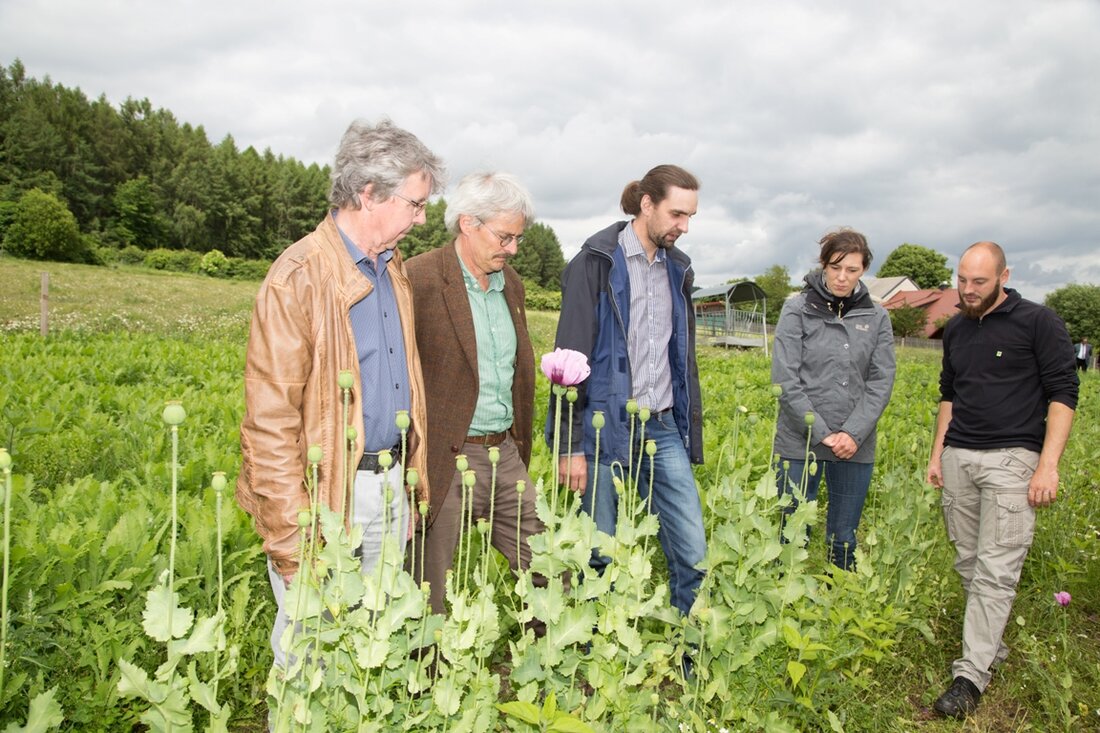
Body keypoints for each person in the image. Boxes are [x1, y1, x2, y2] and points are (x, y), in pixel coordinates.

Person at [235, 119, 445, 666]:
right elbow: (269, 424)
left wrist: (413, 479)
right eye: (415, 204)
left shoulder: (392, 269)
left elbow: (405, 386)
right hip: (328, 500)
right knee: (312, 664)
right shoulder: (297, 276)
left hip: (390, 486)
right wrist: (290, 541)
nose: (421, 219)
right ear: (368, 193)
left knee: (371, 652)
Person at [925, 241, 1078, 719]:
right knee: (969, 563)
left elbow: (1063, 393)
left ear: (1003, 276)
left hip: (1013, 460)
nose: (968, 291)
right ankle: (990, 646)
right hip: (960, 458)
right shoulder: (955, 328)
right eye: (962, 281)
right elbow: (949, 395)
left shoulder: (1039, 322)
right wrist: (938, 455)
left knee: (996, 568)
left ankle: (970, 675)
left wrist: (1047, 465)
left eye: (979, 283)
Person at [548, 164, 706, 617]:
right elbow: (569, 359)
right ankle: (596, 653)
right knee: (598, 551)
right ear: (647, 204)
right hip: (602, 427)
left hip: (661, 427)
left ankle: (691, 649)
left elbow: (680, 359)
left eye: (691, 216)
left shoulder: (678, 270)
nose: (684, 226)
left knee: (692, 548)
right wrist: (569, 444)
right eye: (677, 214)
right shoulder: (596, 263)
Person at [404, 172, 545, 614]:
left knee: (547, 563)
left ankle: (560, 662)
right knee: (431, 587)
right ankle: (427, 679)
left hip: (505, 455)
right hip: (444, 457)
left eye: (518, 238)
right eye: (505, 237)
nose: (513, 249)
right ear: (468, 223)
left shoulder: (512, 285)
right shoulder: (418, 280)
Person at [771, 228, 896, 571]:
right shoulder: (796, 309)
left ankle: (837, 598)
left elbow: (881, 380)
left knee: (844, 535)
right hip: (800, 439)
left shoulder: (877, 316)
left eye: (852, 270)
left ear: (864, 270)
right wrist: (822, 432)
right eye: (835, 267)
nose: (842, 277)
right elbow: (785, 378)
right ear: (823, 264)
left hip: (855, 444)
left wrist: (852, 433)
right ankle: (789, 599)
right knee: (792, 532)